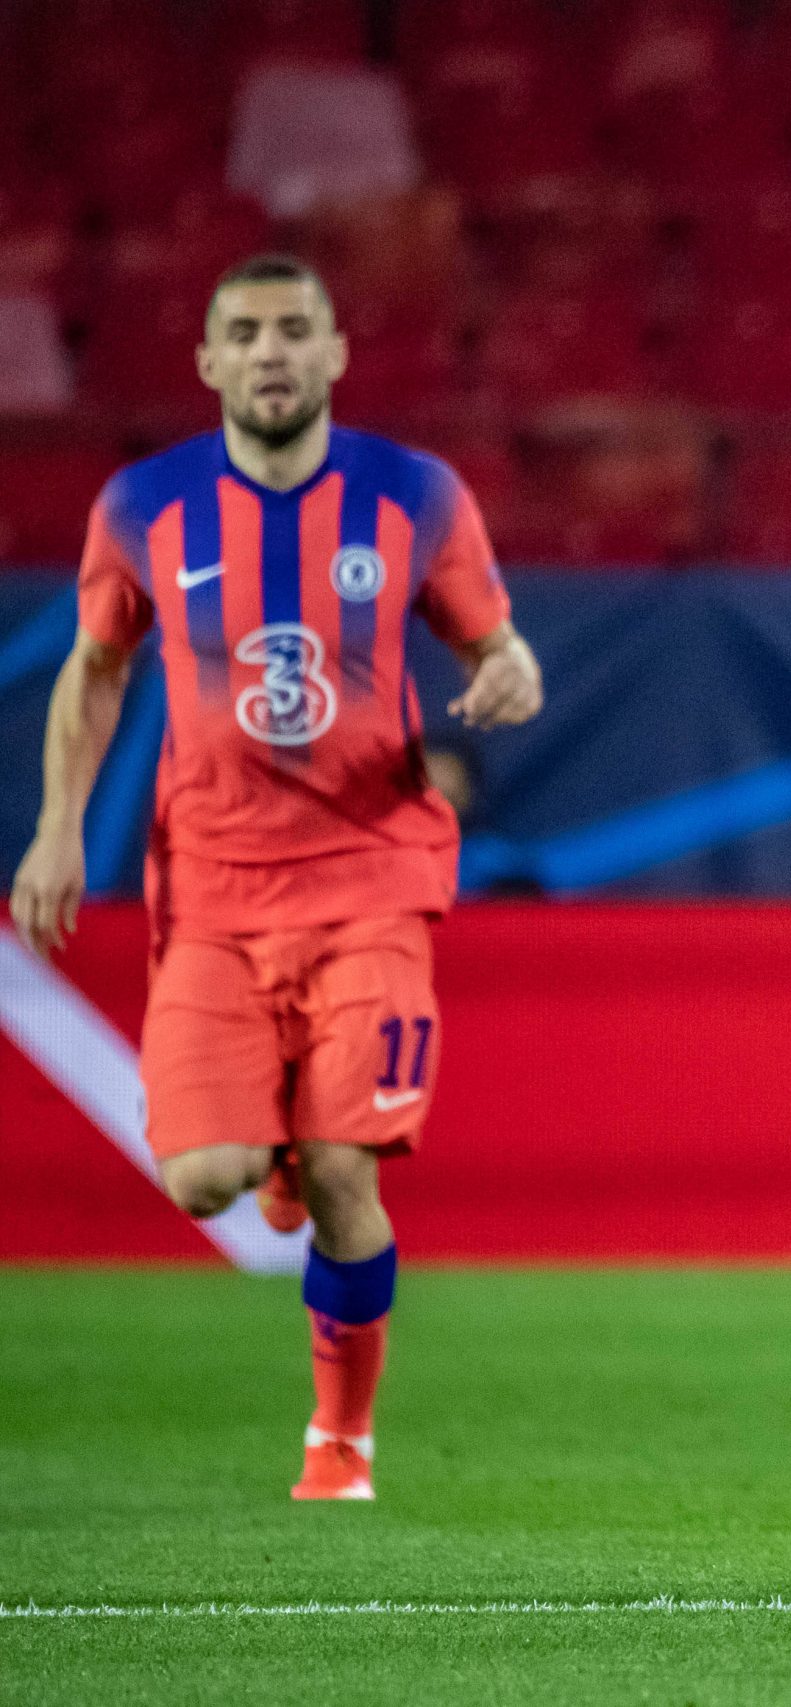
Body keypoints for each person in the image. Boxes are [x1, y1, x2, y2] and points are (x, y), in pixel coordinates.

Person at [8, 254, 543, 1499]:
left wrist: (512, 669)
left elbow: (492, 641)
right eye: (243, 333)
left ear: (336, 353)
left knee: (350, 1166)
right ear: (207, 362)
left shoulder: (414, 493)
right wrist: (55, 825)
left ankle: (340, 1443)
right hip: (212, 887)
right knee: (209, 1178)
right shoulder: (144, 507)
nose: (270, 353)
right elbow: (93, 673)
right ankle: (285, 1150)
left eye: (294, 330)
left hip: (371, 879)